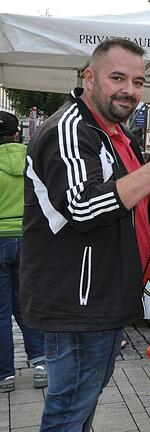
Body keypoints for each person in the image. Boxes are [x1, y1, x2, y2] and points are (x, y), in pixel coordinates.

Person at [20, 38, 150, 431]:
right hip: (78, 303)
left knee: (82, 404)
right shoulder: (69, 128)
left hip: (104, 297)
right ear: (89, 78)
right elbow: (82, 206)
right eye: (117, 77)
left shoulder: (116, 133)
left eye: (138, 81)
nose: (129, 90)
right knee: (70, 410)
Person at [0, 111, 47, 393]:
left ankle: (5, 375)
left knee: (0, 313)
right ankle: (41, 363)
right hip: (28, 240)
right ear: (17, 133)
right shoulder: (33, 158)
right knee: (26, 304)